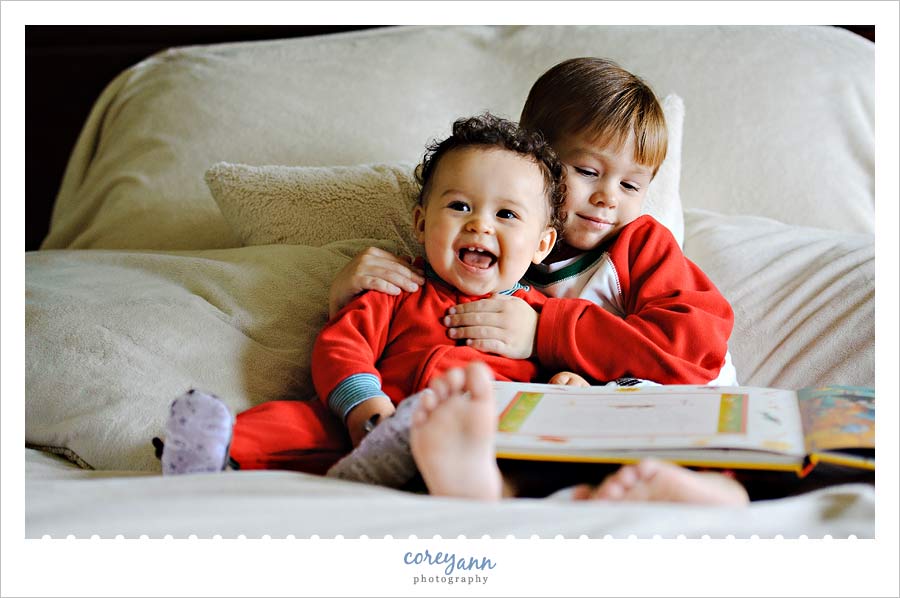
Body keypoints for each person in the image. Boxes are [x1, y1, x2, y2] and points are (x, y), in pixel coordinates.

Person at [329, 57, 748, 504]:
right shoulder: (508, 250)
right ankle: (506, 489)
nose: (607, 198)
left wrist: (545, 330)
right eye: (588, 172)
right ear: (537, 161)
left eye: (630, 186)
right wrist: (346, 292)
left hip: (688, 407)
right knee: (533, 452)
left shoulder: (640, 244)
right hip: (583, 429)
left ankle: (719, 490)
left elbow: (694, 349)